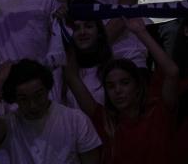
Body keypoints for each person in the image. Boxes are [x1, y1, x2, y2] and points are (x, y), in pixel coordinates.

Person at [64, 18, 180, 164]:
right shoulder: (106, 121)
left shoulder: (158, 112)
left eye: (124, 83)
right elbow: (71, 77)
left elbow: (172, 72)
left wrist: (141, 32)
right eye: (111, 86)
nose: (117, 90)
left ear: (137, 86)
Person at [0, 59, 102, 163]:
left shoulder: (75, 120)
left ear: (47, 89)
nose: (33, 105)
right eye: (24, 99)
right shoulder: (11, 124)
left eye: (38, 95)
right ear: (15, 99)